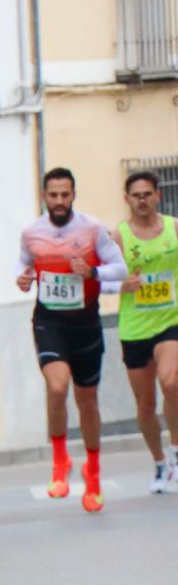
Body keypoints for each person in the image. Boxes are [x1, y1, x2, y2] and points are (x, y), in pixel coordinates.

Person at [18, 167, 125, 512]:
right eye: (54, 195)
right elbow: (24, 267)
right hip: (49, 321)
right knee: (57, 387)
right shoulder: (32, 232)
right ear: (44, 196)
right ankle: (59, 459)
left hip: (86, 322)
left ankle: (92, 471)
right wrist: (23, 278)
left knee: (87, 400)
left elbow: (119, 269)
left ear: (73, 195)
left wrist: (93, 271)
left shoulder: (92, 229)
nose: (60, 201)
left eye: (65, 195)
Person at [114, 170, 178, 493]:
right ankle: (158, 461)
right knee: (145, 405)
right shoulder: (118, 237)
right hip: (135, 327)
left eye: (147, 194)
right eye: (136, 195)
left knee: (172, 381)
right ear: (127, 200)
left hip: (170, 320)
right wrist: (121, 284)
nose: (142, 200)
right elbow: (101, 278)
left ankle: (177, 452)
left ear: (158, 196)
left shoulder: (173, 227)